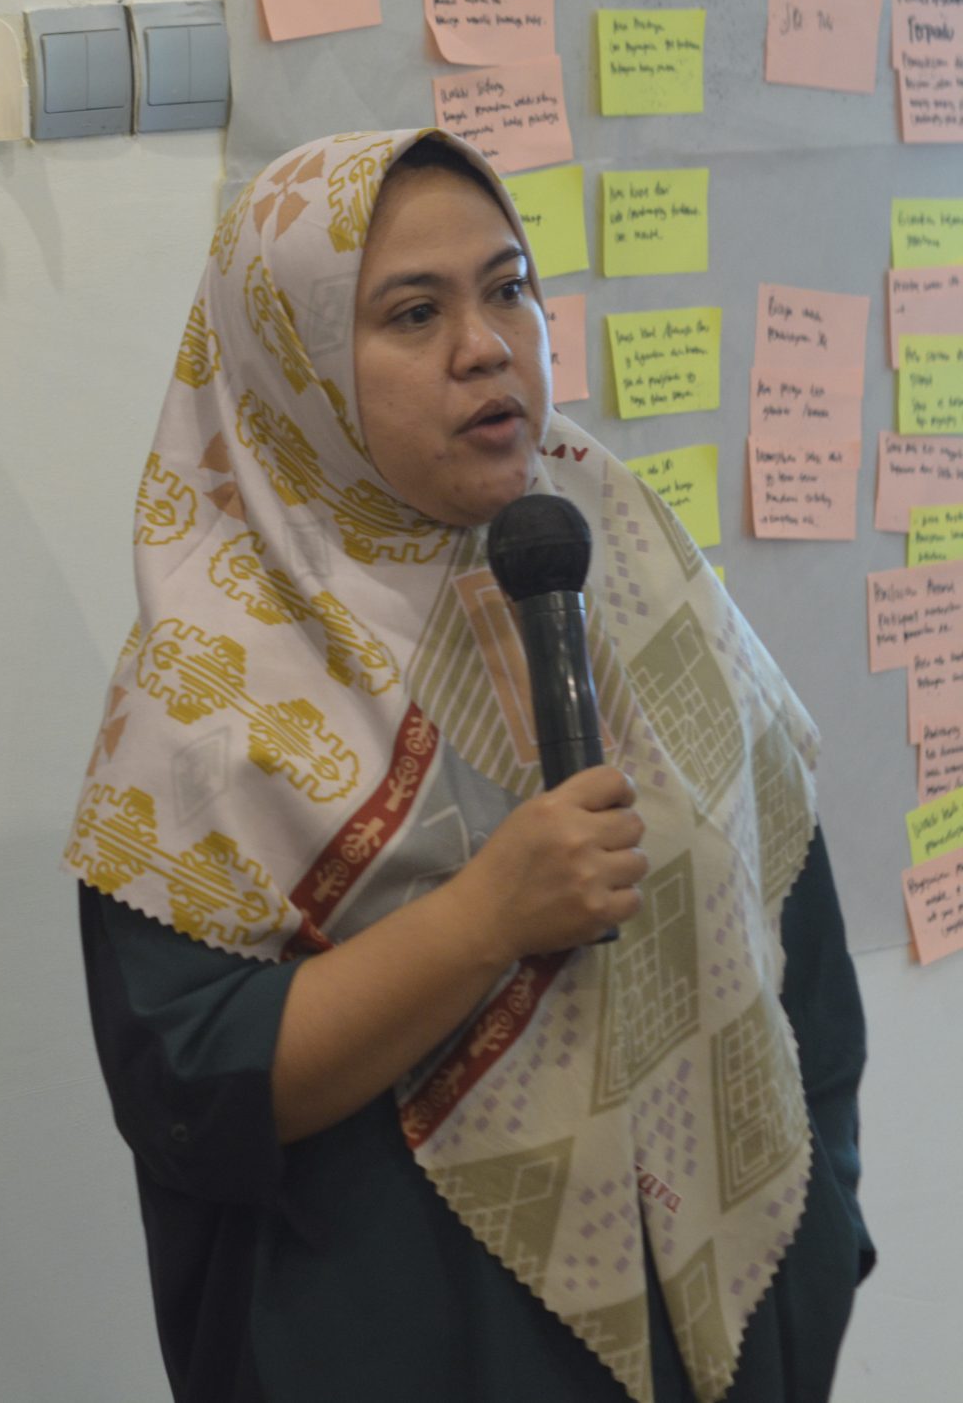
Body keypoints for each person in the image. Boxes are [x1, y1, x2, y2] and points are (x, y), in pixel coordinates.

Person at [69, 129, 870, 1403]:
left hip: (720, 1325)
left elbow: (792, 914)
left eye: (508, 287)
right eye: (410, 312)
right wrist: (486, 918)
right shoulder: (205, 685)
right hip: (412, 1345)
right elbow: (190, 1090)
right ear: (295, 368)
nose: (486, 344)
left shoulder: (618, 544)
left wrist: (818, 1211)